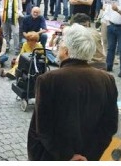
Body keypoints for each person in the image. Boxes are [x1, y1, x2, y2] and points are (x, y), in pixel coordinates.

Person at [27, 24, 118, 161]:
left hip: (51, 156)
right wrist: (89, 155)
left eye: (61, 43)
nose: (58, 47)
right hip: (88, 156)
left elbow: (44, 127)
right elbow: (109, 125)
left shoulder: (48, 80)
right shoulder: (107, 80)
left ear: (66, 51)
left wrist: (68, 155)